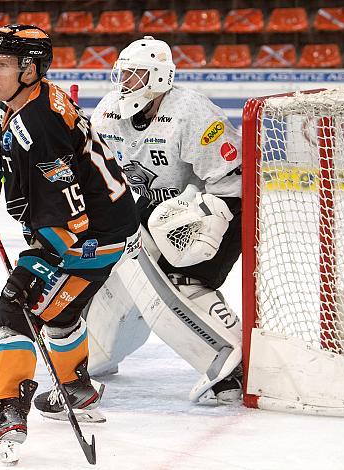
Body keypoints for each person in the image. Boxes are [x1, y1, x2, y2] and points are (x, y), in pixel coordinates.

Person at [0, 25, 140, 465]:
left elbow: (67, 209)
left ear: (30, 68)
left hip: (88, 236)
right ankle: (77, 389)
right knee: (62, 311)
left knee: (16, 309)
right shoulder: (29, 99)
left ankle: (7, 415)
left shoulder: (38, 123)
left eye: (1, 64)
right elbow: (12, 143)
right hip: (103, 224)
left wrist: (40, 264)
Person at [87, 36, 243, 404]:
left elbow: (232, 181)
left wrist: (205, 225)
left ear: (159, 77)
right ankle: (97, 352)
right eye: (122, 74)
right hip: (152, 210)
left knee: (183, 281)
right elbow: (96, 174)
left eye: (135, 75)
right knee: (115, 266)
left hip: (216, 207)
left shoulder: (191, 112)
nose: (125, 83)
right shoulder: (108, 110)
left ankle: (233, 363)